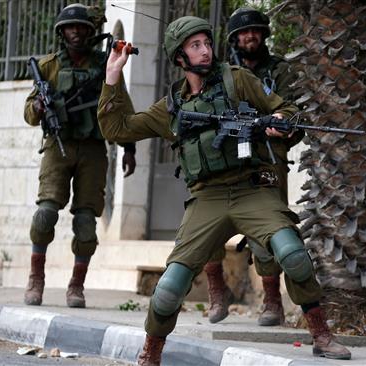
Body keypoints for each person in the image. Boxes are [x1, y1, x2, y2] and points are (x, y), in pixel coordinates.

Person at [98, 16, 351, 365]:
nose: (205, 51)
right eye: (195, 46)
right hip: (207, 199)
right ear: (179, 57)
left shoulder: (238, 80)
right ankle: (151, 352)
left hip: (253, 190)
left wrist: (281, 124)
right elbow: (118, 128)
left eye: (206, 43)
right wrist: (113, 76)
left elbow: (286, 108)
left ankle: (322, 335)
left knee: (293, 254)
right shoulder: (171, 105)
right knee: (170, 287)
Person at [23, 3, 136, 309]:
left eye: (81, 27)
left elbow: (122, 104)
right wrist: (38, 108)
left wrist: (129, 148)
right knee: (45, 213)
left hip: (93, 150)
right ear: (62, 33)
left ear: (90, 31)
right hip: (57, 147)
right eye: (70, 28)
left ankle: (76, 286)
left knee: (86, 222)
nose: (76, 32)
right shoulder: (48, 66)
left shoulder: (105, 65)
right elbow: (29, 110)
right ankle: (36, 279)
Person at [202, 7, 303, 327]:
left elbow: (295, 114)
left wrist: (284, 125)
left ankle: (272, 301)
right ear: (233, 38)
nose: (250, 36)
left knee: (269, 231)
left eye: (256, 31)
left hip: (267, 157)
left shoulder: (282, 71)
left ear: (265, 35)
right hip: (224, 159)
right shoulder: (218, 73)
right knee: (207, 226)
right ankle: (217, 293)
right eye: (244, 33)